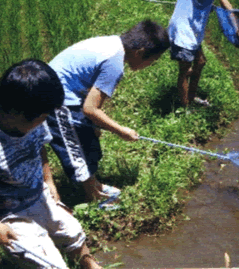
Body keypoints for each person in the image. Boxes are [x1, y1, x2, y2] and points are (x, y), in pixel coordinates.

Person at [0, 59, 101, 269]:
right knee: (49, 264)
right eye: (40, 118)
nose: (42, 122)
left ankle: (91, 266)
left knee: (73, 232)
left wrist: (49, 181)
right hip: (9, 213)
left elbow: (40, 147)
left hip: (39, 195)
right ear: (15, 113)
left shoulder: (34, 120)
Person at [47, 20, 170, 206]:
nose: (150, 65)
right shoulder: (114, 64)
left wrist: (96, 125)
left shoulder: (112, 44)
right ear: (140, 52)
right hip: (55, 100)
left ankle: (94, 185)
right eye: (153, 60)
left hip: (64, 92)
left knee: (90, 139)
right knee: (76, 150)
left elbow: (90, 102)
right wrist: (121, 130)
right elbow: (90, 109)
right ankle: (93, 198)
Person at [168, 0, 239, 106]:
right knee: (185, 70)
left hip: (190, 30)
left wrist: (206, 6)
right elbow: (226, 4)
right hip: (183, 31)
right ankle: (185, 109)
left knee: (200, 62)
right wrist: (237, 28)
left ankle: (191, 97)